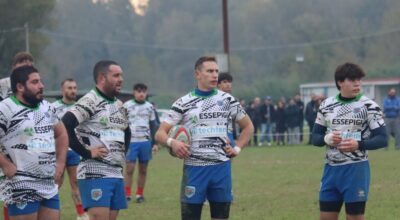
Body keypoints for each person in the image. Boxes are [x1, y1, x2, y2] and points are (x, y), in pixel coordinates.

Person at [155, 56, 254, 220]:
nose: (215, 75)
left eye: (216, 71)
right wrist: (172, 143)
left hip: (221, 168)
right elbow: (159, 133)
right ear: (197, 74)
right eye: (209, 71)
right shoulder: (183, 102)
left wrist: (237, 148)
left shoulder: (227, 100)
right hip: (195, 169)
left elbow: (248, 127)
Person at [312, 63, 387, 220]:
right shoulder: (326, 105)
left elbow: (382, 138)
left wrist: (359, 144)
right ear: (340, 82)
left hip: (356, 170)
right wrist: (328, 139)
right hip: (331, 171)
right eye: (352, 80)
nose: (357, 83)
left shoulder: (370, 106)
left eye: (359, 80)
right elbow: (315, 138)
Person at [61, 60, 130, 220]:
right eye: (116, 75)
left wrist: (122, 154)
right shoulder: (90, 100)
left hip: (116, 173)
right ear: (102, 78)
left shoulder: (120, 105)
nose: (121, 79)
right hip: (95, 172)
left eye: (121, 75)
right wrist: (86, 152)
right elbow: (66, 124)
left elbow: (127, 131)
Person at [0, 65, 68, 220]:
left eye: (41, 81)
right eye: (35, 82)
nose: (41, 86)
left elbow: (62, 133)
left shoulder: (46, 107)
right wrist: (5, 164)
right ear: (20, 87)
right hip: (21, 183)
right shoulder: (5, 109)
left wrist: (60, 163)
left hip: (48, 184)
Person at [0, 52, 35, 220]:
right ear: (14, 67)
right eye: (22, 64)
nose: (26, 67)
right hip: (4, 146)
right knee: (10, 191)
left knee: (17, 193)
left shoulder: (33, 88)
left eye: (29, 64)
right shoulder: (3, 86)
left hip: (26, 147)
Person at [52, 79, 89, 220]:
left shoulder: (80, 108)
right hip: (58, 151)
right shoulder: (53, 107)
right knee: (56, 183)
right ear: (62, 90)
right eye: (69, 88)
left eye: (75, 87)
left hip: (74, 151)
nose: (73, 90)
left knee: (75, 183)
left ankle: (81, 214)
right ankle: (51, 211)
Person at [123, 83, 158, 203]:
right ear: (134, 92)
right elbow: (121, 124)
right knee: (129, 169)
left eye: (143, 91)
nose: (141, 93)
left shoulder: (150, 107)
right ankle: (127, 194)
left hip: (145, 142)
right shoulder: (126, 105)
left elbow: (153, 125)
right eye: (138, 91)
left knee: (143, 169)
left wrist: (154, 143)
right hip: (131, 142)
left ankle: (139, 195)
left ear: (146, 93)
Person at [217, 72, 237, 146]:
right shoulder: (215, 99)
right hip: (217, 133)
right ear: (218, 84)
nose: (228, 84)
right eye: (225, 82)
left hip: (229, 132)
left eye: (229, 82)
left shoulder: (233, 100)